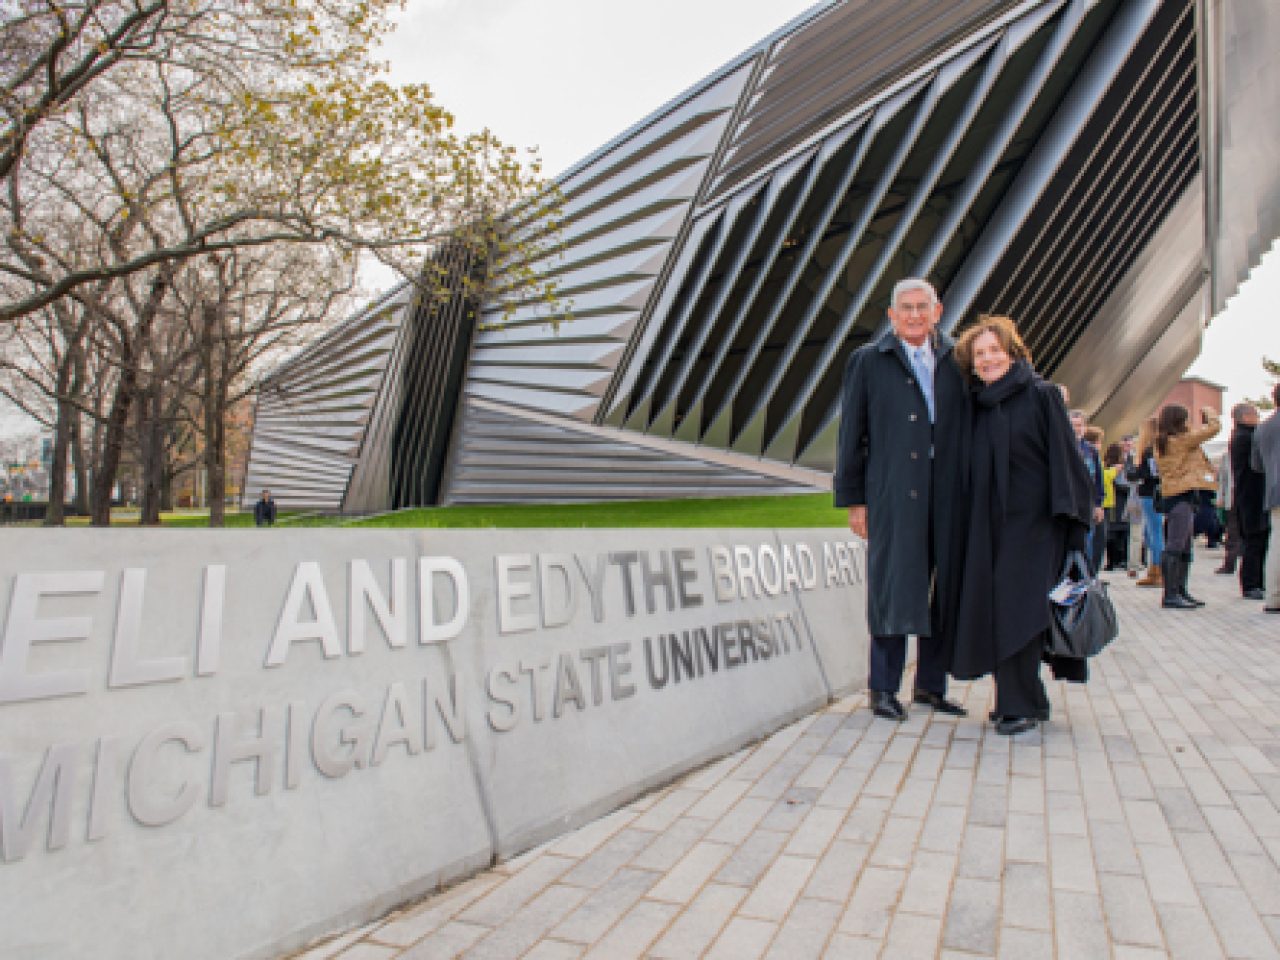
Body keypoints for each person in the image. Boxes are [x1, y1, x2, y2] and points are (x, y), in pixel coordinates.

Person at [950, 316, 1093, 736]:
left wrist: (1072, 526)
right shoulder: (976, 404)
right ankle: (1025, 699)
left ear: (1012, 353)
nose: (988, 359)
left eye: (995, 350)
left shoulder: (1041, 395)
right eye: (980, 354)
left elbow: (1065, 461)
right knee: (995, 611)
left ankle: (1019, 705)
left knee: (1019, 612)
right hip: (987, 528)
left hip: (1034, 527)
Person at [835, 278, 968, 721]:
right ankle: (884, 688)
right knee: (892, 588)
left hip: (947, 491)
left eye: (922, 307)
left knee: (942, 587)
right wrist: (855, 500)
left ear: (938, 311)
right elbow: (851, 435)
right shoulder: (870, 361)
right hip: (892, 492)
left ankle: (931, 685)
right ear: (891, 315)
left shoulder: (956, 359)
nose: (914, 315)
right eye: (905, 308)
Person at [1152, 404, 1220, 610]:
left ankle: (1180, 590)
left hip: (1179, 494)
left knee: (1184, 544)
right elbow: (1213, 428)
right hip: (1181, 495)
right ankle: (1172, 593)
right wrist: (1209, 412)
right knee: (1176, 545)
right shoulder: (1180, 441)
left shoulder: (1165, 440)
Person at [1230, 403, 1269, 600]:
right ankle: (1251, 584)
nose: (1258, 417)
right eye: (1255, 414)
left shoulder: (1243, 435)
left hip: (1248, 495)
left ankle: (1257, 582)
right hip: (1251, 496)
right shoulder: (1246, 437)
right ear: (1244, 417)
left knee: (1257, 541)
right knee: (1254, 541)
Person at [1251, 385, 1280, 613]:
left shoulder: (1262, 428)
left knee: (1276, 545)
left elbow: (1256, 465)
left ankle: (1273, 597)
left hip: (1273, 492)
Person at [1129, 417, 1164, 588]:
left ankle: (1157, 570)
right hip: (1155, 493)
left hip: (1150, 494)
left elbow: (1148, 474)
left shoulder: (1149, 451)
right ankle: (1155, 568)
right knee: (1152, 532)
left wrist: (1135, 470)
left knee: (1154, 532)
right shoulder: (1159, 448)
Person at [1070, 411, 1105, 572]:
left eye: (1080, 425)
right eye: (1074, 425)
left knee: (1087, 543)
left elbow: (1098, 478)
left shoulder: (1091, 451)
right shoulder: (1063, 447)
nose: (1077, 429)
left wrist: (1099, 504)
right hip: (1069, 501)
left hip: (1087, 502)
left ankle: (1087, 578)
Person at [1216, 446, 1240, 574]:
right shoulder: (1226, 457)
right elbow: (1223, 479)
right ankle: (1229, 563)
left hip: (1246, 498)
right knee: (1232, 533)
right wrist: (1221, 497)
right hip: (1232, 500)